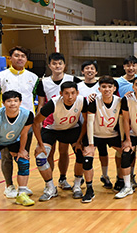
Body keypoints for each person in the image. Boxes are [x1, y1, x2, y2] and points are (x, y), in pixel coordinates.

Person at [0, 46, 38, 199]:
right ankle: (9, 186)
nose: (20, 58)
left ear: (26, 59)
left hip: (26, 122)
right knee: (6, 157)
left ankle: (23, 187)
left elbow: (34, 96)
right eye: (16, 55)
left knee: (23, 154)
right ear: (10, 58)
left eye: (23, 56)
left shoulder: (34, 77)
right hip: (5, 124)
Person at [33, 81, 88, 201]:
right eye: (66, 93)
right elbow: (36, 122)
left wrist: (79, 140)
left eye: (73, 93)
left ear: (77, 93)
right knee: (40, 157)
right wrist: (40, 144)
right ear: (61, 94)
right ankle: (50, 187)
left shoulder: (82, 101)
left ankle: (77, 185)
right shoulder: (53, 103)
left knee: (82, 154)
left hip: (72, 129)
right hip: (51, 129)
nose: (70, 97)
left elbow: (86, 121)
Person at [36, 53, 82, 191]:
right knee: (48, 153)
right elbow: (41, 104)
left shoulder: (73, 80)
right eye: (54, 64)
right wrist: (40, 122)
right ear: (49, 65)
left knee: (64, 151)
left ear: (64, 65)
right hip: (51, 122)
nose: (57, 66)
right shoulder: (43, 83)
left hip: (68, 121)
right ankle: (49, 184)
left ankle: (63, 178)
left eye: (60, 63)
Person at [0, 91, 35, 211]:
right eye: (9, 101)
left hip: (13, 140)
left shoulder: (28, 114)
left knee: (24, 161)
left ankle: (22, 194)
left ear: (20, 102)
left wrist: (22, 150)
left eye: (15, 100)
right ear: (3, 103)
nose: (12, 103)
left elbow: (24, 134)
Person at [80, 76, 123, 202]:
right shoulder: (94, 101)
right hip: (95, 135)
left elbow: (121, 122)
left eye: (110, 87)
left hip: (112, 134)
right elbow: (89, 122)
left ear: (114, 88)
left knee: (125, 152)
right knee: (87, 157)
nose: (107, 89)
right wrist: (91, 144)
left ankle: (120, 180)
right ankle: (89, 189)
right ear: (99, 89)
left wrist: (123, 139)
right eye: (104, 87)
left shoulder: (120, 101)